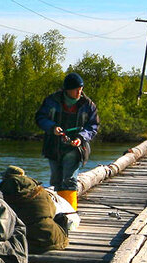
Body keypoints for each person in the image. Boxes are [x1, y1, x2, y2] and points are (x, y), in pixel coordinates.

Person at [35, 72, 100, 210]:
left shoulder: (88, 105)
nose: (79, 92)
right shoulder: (51, 100)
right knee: (55, 180)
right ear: (67, 90)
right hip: (53, 147)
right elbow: (40, 118)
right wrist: (52, 127)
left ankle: (70, 212)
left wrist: (81, 138)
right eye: (76, 89)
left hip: (75, 147)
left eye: (81, 89)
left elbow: (93, 126)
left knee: (70, 179)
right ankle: (57, 211)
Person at [0, 166, 69, 254]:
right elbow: (52, 212)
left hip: (28, 242)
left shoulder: (3, 191)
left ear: (6, 178)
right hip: (53, 239)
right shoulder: (39, 190)